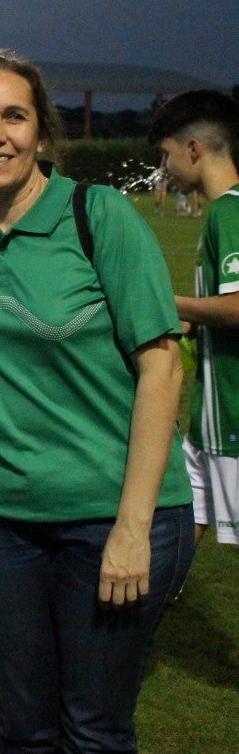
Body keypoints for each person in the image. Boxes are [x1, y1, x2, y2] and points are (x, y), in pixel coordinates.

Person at [0, 49, 194, 752]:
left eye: (14, 116)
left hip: (111, 517)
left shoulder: (96, 215)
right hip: (1, 525)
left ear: (41, 134)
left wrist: (132, 529)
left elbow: (162, 367)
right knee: (23, 728)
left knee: (93, 730)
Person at [148, 89, 239, 548]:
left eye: (167, 155)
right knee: (176, 515)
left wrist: (172, 303)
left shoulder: (230, 212)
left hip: (233, 418)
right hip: (212, 416)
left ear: (194, 149)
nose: (164, 169)